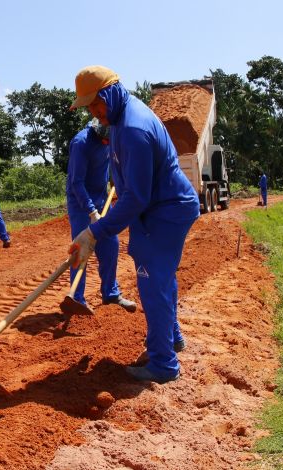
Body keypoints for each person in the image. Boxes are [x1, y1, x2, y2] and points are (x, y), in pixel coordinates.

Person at [68, 65, 200, 384]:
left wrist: (94, 232)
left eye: (97, 104)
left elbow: (136, 198)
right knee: (159, 278)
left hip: (164, 212)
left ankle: (164, 364)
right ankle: (172, 339)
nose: (95, 113)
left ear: (111, 92)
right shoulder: (120, 118)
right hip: (156, 211)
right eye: (89, 108)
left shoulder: (133, 129)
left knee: (152, 283)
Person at [66, 121, 134, 311]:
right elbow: (76, 183)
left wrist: (117, 182)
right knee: (82, 248)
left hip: (102, 199)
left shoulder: (111, 136)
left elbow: (113, 163)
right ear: (98, 134)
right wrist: (91, 211)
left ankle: (110, 294)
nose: (107, 144)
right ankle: (77, 299)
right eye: (105, 140)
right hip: (80, 203)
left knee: (111, 244)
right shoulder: (81, 143)